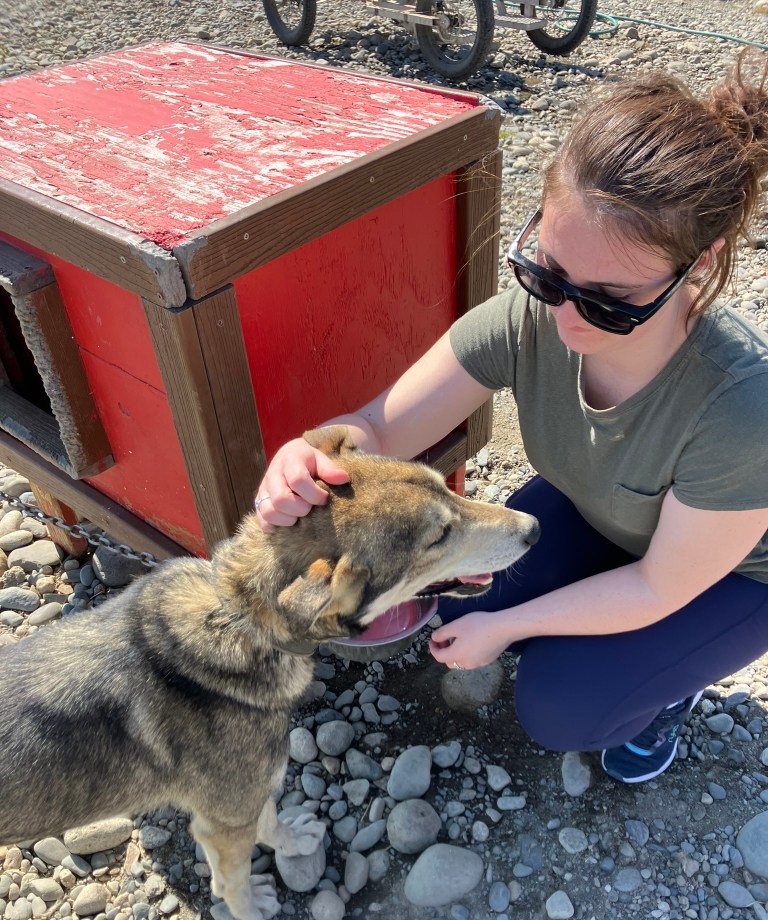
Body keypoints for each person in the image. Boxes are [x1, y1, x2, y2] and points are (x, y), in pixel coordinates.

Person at [254, 52, 768, 785]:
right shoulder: (528, 320)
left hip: (733, 575)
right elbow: (379, 429)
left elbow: (660, 585)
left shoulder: (741, 407)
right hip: (607, 510)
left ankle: (667, 696)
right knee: (466, 591)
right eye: (547, 272)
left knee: (560, 707)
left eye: (610, 300)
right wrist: (311, 456)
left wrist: (508, 627)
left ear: (701, 264)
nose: (565, 316)